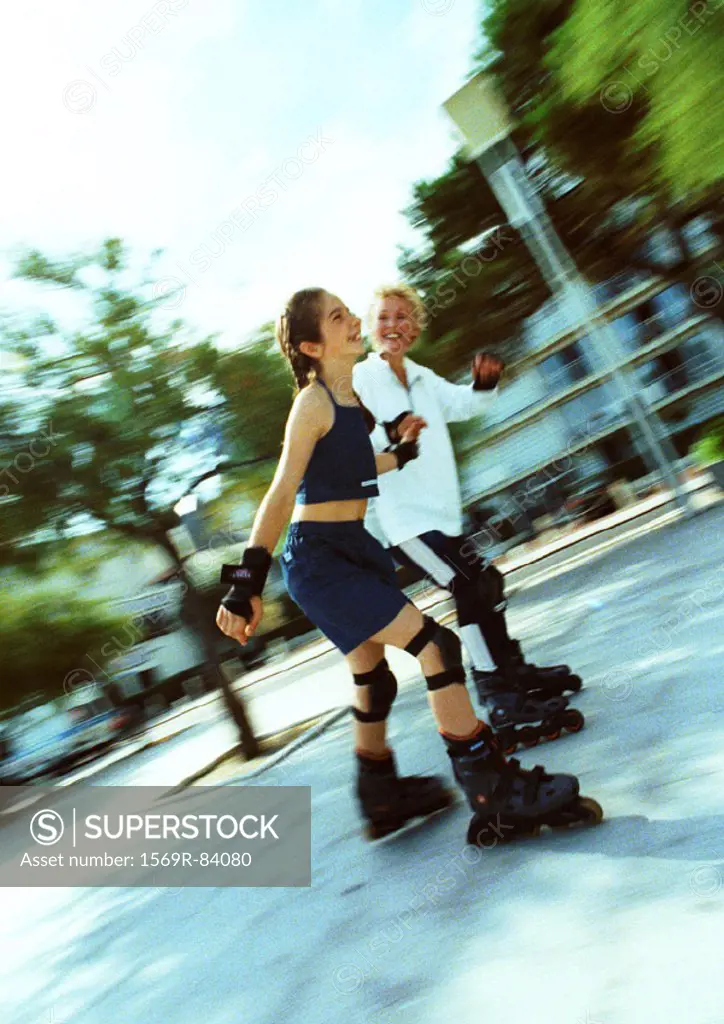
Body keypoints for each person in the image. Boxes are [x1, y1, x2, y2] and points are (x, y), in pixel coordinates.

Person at [216, 287, 601, 843]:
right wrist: (244, 584)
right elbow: (280, 492)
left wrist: (399, 452)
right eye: (337, 317)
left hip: (354, 549)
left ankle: (379, 793)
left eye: (349, 312)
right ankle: (492, 788)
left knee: (373, 679)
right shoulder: (313, 401)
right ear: (310, 345)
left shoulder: (351, 405)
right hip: (321, 560)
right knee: (437, 648)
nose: (353, 322)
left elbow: (355, 464)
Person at [352, 284, 584, 754]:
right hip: (405, 523)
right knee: (468, 586)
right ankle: (498, 696)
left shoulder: (420, 377)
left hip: (442, 514)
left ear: (414, 329)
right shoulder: (363, 378)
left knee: (486, 583)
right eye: (383, 318)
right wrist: (390, 434)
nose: (393, 325)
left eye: (402, 318)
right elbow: (355, 445)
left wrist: (483, 383)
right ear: (371, 328)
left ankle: (511, 670)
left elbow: (464, 404)